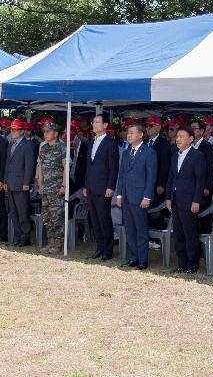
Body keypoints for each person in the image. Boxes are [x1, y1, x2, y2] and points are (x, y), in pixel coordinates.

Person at [115, 120, 157, 270]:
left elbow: (151, 176)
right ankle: (133, 258)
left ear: (140, 135)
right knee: (129, 230)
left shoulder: (149, 152)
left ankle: (142, 260)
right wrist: (119, 195)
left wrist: (147, 196)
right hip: (126, 196)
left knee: (140, 229)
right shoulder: (126, 153)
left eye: (132, 133)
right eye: (128, 133)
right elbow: (121, 175)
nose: (129, 135)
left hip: (140, 197)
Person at [166, 125, 206, 274]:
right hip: (176, 200)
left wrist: (196, 200)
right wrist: (168, 198)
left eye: (182, 136)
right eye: (177, 137)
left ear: (191, 139)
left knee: (190, 234)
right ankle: (181, 263)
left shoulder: (197, 156)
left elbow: (200, 180)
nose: (178, 139)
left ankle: (192, 264)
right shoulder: (174, 155)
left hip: (189, 201)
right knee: (178, 235)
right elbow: (170, 178)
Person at [83, 114, 120, 261]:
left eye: (97, 122)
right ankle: (99, 247)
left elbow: (113, 168)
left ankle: (108, 250)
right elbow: (88, 166)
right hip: (91, 187)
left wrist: (110, 186)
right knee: (95, 219)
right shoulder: (91, 142)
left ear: (105, 125)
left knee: (104, 219)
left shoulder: (110, 144)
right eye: (93, 121)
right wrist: (86, 185)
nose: (94, 124)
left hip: (104, 187)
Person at [3, 119, 37, 247]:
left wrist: (27, 182)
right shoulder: (11, 143)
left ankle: (25, 237)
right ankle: (17, 237)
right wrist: (5, 180)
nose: (13, 132)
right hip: (11, 183)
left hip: (21, 183)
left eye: (16, 129)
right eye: (12, 129)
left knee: (23, 212)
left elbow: (29, 165)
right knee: (13, 212)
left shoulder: (27, 145)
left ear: (22, 131)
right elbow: (7, 164)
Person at [35, 120, 68, 252]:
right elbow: (41, 166)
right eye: (44, 131)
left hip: (57, 188)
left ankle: (58, 244)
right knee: (47, 217)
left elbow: (66, 168)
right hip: (46, 188)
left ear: (56, 133)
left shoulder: (62, 148)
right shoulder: (44, 148)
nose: (45, 134)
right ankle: (50, 242)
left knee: (57, 217)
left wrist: (64, 186)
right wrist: (40, 184)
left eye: (48, 131)